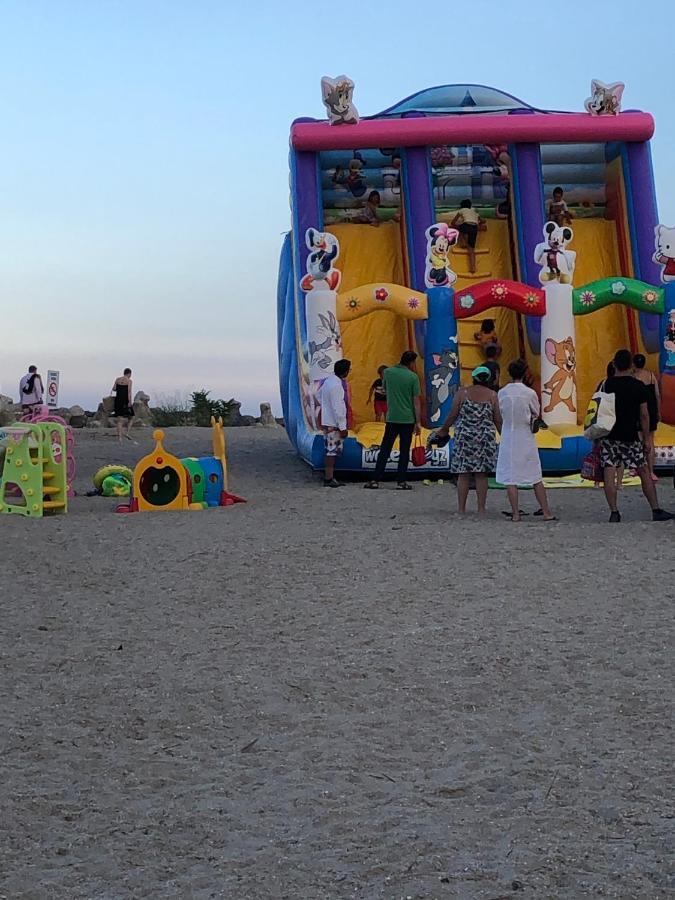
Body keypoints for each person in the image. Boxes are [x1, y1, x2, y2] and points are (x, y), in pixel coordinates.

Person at [599, 349, 673, 522]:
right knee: (644, 471)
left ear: (614, 364)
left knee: (609, 471)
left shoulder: (606, 384)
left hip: (609, 434)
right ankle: (655, 509)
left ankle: (614, 512)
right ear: (631, 365)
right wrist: (647, 438)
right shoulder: (637, 386)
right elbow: (644, 415)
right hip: (631, 435)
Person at [435, 366, 501, 514]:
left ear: (473, 378)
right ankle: (481, 508)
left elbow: (452, 415)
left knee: (463, 474)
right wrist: (504, 435)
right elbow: (497, 419)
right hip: (484, 438)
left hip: (464, 437)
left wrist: (444, 429)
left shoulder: (462, 393)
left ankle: (461, 508)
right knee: (481, 474)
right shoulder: (493, 395)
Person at [496, 359, 556, 522]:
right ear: (524, 373)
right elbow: (536, 412)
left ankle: (515, 513)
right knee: (535, 475)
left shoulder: (502, 393)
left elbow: (499, 413)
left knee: (510, 477)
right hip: (525, 436)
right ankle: (546, 512)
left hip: (508, 435)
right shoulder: (529, 393)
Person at [364, 350, 421, 490]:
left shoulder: (388, 373)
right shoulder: (413, 377)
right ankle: (401, 481)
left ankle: (375, 479)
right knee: (404, 450)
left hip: (392, 417)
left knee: (385, 449)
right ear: (412, 362)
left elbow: (385, 389)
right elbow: (416, 402)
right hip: (407, 419)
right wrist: (418, 422)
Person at [318, 358, 351, 487]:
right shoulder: (336, 386)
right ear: (345, 372)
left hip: (328, 421)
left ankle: (329, 477)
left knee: (329, 450)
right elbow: (338, 408)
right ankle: (329, 477)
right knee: (331, 451)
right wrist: (343, 426)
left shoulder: (328, 382)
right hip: (334, 424)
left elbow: (318, 395)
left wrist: (325, 408)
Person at [632, 353, 660, 481]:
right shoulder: (651, 376)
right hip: (652, 411)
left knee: (639, 441)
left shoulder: (634, 377)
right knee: (650, 441)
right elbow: (657, 395)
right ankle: (651, 471)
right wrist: (658, 411)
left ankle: (638, 468)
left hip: (639, 412)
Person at [451, 198, 484, 274]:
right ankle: (473, 267)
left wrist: (455, 225)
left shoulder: (462, 210)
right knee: (472, 250)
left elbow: (453, 222)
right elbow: (483, 220)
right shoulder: (474, 212)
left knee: (460, 229)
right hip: (474, 228)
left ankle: (463, 243)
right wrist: (479, 223)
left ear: (461, 206)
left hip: (466, 226)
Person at [112, 368, 135, 443]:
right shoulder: (129, 381)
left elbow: (114, 389)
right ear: (129, 374)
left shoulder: (117, 379)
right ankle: (127, 433)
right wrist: (130, 402)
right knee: (131, 417)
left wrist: (120, 388)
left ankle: (120, 438)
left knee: (119, 420)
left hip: (118, 400)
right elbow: (129, 392)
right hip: (125, 401)